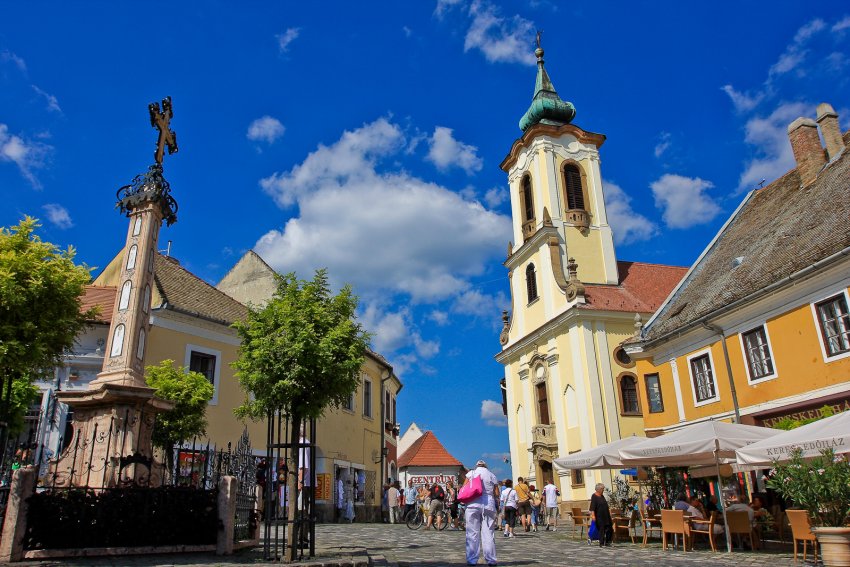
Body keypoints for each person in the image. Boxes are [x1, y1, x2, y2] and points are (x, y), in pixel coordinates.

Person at [463, 459, 499, 566]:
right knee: (488, 533)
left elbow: (464, 488)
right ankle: (491, 559)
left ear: (477, 466)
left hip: (472, 504)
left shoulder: (471, 473)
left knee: (472, 533)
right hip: (488, 505)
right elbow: (497, 493)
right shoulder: (492, 475)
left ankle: (472, 560)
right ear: (485, 466)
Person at [589, 482, 612, 547]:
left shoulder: (602, 496)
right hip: (599, 516)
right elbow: (592, 507)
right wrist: (593, 515)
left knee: (609, 528)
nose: (603, 490)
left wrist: (609, 513)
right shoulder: (594, 496)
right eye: (602, 489)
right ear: (598, 489)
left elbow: (606, 505)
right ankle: (601, 543)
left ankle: (608, 542)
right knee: (602, 529)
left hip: (606, 515)